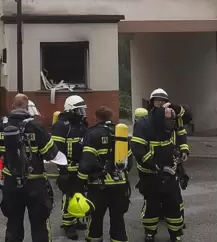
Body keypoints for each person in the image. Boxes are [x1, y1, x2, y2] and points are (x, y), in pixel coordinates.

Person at [0, 93, 61, 242]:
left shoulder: (2, 125)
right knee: (39, 224)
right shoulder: (36, 127)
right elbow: (51, 153)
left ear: (12, 106)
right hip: (35, 184)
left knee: (14, 224)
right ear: (27, 107)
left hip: (10, 183)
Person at [133, 89, 187, 241]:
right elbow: (138, 149)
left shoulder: (171, 118)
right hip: (150, 173)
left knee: (173, 204)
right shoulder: (143, 123)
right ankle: (150, 232)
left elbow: (181, 130)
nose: (161, 103)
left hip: (170, 171)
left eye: (163, 101)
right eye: (157, 100)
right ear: (151, 103)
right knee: (152, 205)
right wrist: (155, 165)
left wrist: (183, 150)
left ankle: (175, 234)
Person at [78, 105, 130, 242]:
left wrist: (80, 183)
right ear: (110, 117)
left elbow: (87, 163)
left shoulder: (92, 134)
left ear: (96, 117)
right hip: (119, 184)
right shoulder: (120, 134)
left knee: (95, 219)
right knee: (118, 219)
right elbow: (128, 163)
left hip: (98, 186)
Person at [52, 95, 90, 240]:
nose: (82, 113)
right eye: (79, 110)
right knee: (69, 196)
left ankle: (76, 218)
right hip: (68, 167)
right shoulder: (62, 125)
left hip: (81, 167)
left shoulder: (81, 124)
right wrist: (62, 170)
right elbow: (57, 150)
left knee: (79, 194)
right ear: (71, 110)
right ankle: (69, 225)